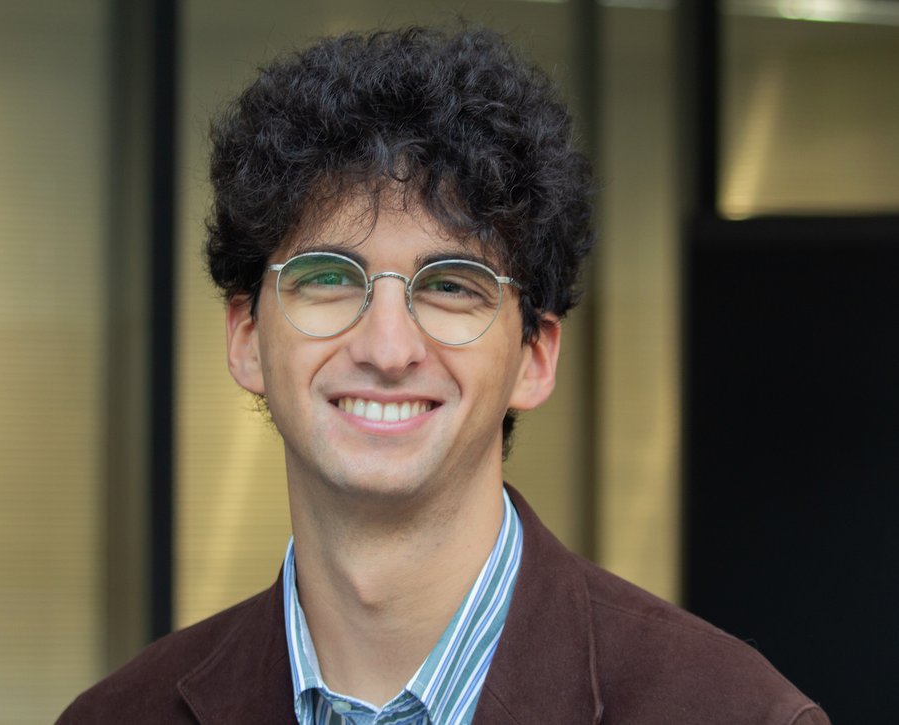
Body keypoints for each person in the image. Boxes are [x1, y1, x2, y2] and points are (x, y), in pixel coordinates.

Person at [58, 25, 830, 724]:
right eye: (329, 278)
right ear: (247, 338)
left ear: (535, 355)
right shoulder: (117, 716)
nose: (388, 349)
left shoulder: (735, 712)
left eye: (452, 284)